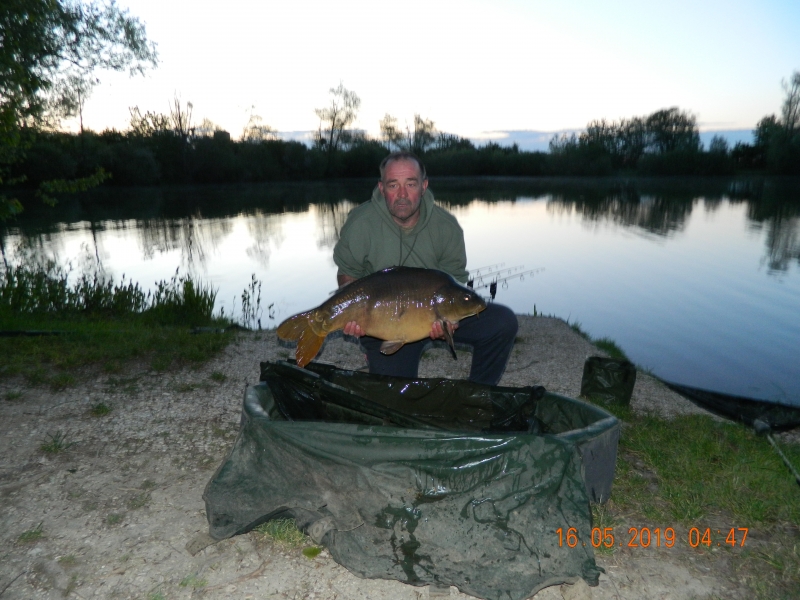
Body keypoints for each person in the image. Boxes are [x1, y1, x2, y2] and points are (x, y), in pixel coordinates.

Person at [332, 151, 518, 386]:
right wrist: (353, 315)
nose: (402, 194)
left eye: (410, 184)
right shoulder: (361, 223)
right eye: (393, 185)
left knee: (503, 322)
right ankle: (380, 355)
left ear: (424, 186)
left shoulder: (447, 227)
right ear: (381, 188)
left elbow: (455, 283)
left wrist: (451, 323)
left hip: (436, 313)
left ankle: (479, 393)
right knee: (397, 396)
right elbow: (347, 272)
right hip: (384, 320)